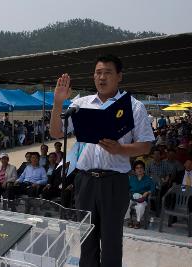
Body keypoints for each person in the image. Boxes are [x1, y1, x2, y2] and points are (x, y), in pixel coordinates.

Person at [50, 54, 154, 267]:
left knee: (111, 242)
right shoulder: (81, 104)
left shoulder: (134, 107)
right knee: (86, 239)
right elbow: (55, 132)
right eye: (98, 73)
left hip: (114, 182)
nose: (102, 77)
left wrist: (120, 148)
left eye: (108, 73)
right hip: (85, 180)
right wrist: (58, 102)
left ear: (119, 76)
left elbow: (146, 145)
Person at [125, 161, 155, 229]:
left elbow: (153, 188)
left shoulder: (148, 179)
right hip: (132, 197)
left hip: (142, 198)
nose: (139, 169)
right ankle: (129, 220)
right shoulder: (132, 178)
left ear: (144, 169)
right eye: (137, 168)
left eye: (141, 167)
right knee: (126, 203)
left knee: (140, 206)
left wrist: (147, 192)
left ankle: (138, 222)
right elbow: (126, 188)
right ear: (135, 170)